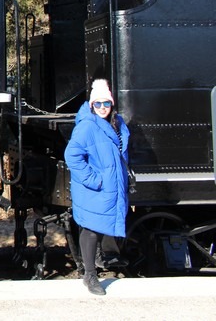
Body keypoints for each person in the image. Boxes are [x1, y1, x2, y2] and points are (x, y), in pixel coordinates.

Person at [64, 79, 130, 295]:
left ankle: (98, 261)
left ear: (112, 105)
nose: (102, 108)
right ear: (92, 105)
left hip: (110, 185)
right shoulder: (87, 127)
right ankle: (90, 276)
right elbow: (72, 156)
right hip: (95, 187)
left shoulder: (117, 123)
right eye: (98, 104)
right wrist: (93, 180)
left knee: (100, 225)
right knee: (91, 229)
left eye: (106, 104)